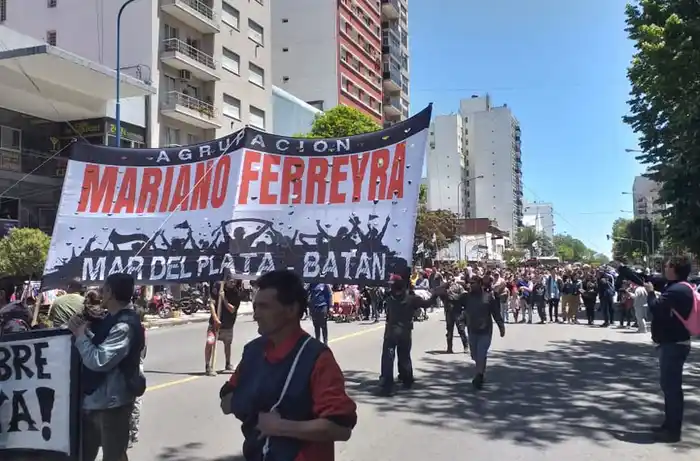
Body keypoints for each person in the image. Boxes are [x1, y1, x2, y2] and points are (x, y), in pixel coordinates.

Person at [219, 270, 357, 461]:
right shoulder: (253, 351)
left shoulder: (317, 358)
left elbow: (340, 428)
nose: (256, 315)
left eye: (264, 307)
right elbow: (227, 401)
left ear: (291, 310)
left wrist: (281, 427)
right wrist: (250, 403)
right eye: (255, 307)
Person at [67, 273, 146, 461]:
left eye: (104, 289)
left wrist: (80, 336)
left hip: (112, 406)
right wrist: (82, 331)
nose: (101, 293)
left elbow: (100, 360)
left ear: (110, 292)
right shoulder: (113, 318)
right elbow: (101, 345)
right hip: (94, 401)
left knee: (113, 456)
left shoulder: (125, 325)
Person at [644, 256, 694, 443]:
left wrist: (650, 292)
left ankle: (673, 431)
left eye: (667, 266)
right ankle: (669, 425)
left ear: (675, 269)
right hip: (673, 343)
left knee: (672, 388)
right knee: (669, 387)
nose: (664, 268)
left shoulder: (677, 290)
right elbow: (660, 283)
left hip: (674, 344)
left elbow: (656, 308)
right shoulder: (677, 287)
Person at [379, 272, 443, 395]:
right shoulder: (411, 299)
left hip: (391, 333)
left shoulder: (390, 298)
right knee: (404, 356)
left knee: (388, 357)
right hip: (405, 332)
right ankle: (406, 379)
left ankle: (387, 383)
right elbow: (427, 304)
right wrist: (435, 294)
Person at [462, 275, 505, 389]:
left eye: (473, 283)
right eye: (470, 283)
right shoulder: (467, 297)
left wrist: (501, 326)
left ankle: (479, 376)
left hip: (485, 330)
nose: (471, 285)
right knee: (475, 355)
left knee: (481, 353)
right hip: (472, 330)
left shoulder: (488, 297)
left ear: (480, 284)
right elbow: (459, 307)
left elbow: (496, 313)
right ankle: (480, 371)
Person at [205, 276, 242, 376]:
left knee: (227, 344)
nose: (233, 282)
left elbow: (232, 309)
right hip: (214, 324)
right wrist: (215, 318)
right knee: (210, 342)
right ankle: (208, 366)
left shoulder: (236, 293)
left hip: (228, 325)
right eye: (231, 280)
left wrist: (223, 298)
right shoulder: (218, 286)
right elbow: (212, 303)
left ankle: (228, 363)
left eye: (234, 281)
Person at [443, 276, 468, 353]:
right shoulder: (445, 287)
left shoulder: (459, 287)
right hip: (448, 310)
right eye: (448, 279)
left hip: (457, 310)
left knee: (461, 329)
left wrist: (455, 297)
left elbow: (464, 295)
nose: (450, 281)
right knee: (449, 330)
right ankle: (449, 347)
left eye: (451, 279)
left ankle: (466, 346)